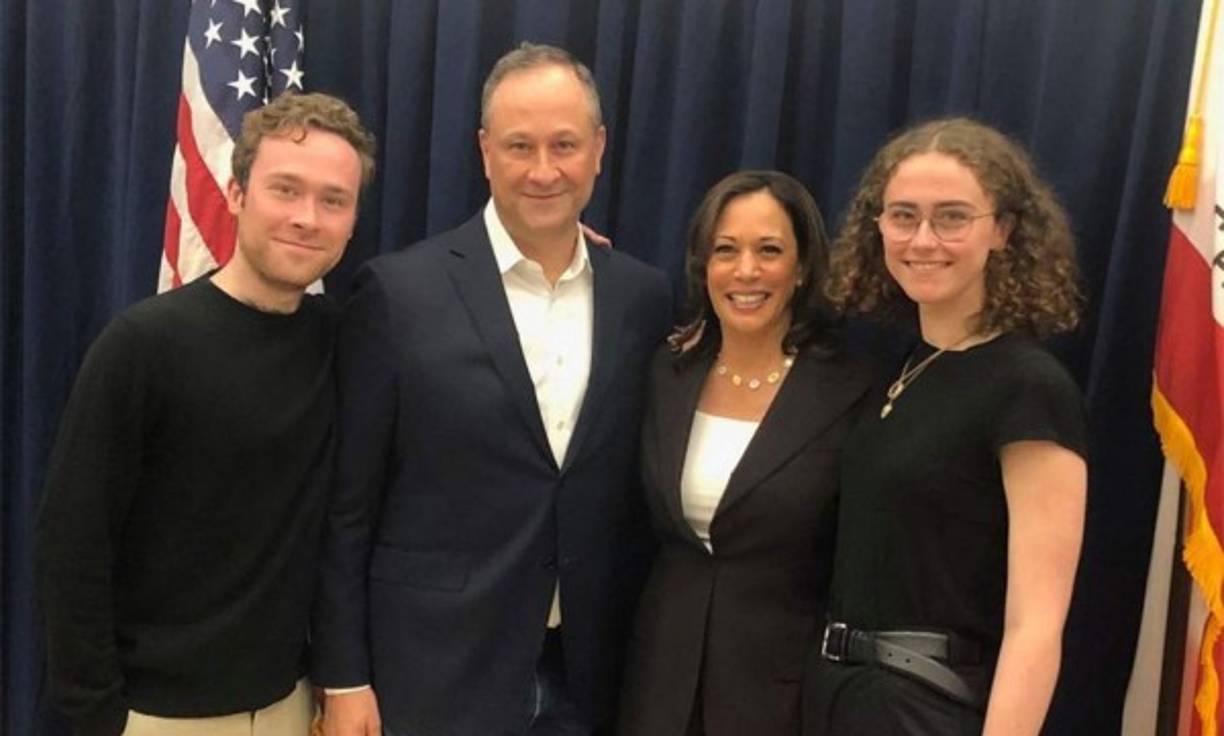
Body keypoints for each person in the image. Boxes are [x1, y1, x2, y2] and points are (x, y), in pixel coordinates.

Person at [311, 43, 672, 736]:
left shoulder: (643, 296)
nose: (544, 170)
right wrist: (344, 675)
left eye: (564, 144)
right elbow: (347, 507)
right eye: (519, 145)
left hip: (591, 671)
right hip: (434, 668)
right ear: (484, 151)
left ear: (598, 149)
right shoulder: (397, 293)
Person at [35, 92, 376, 736]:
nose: (307, 217)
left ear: (353, 220)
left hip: (291, 707)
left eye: (333, 200)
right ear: (239, 194)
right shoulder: (143, 344)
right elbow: (72, 544)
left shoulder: (349, 339)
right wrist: (100, 718)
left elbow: (446, 309)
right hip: (156, 716)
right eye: (285, 190)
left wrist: (554, 246)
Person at [803, 117, 1088, 735]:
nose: (923, 239)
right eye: (903, 215)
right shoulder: (900, 369)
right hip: (839, 697)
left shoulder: (1028, 387)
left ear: (1004, 230)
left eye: (952, 217)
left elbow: (1036, 622)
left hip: (930, 710)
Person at [615, 171, 873, 736]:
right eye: (726, 250)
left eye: (770, 250)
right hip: (658, 684)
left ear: (803, 267)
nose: (747, 271)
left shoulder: (851, 391)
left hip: (783, 696)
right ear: (704, 266)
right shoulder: (668, 371)